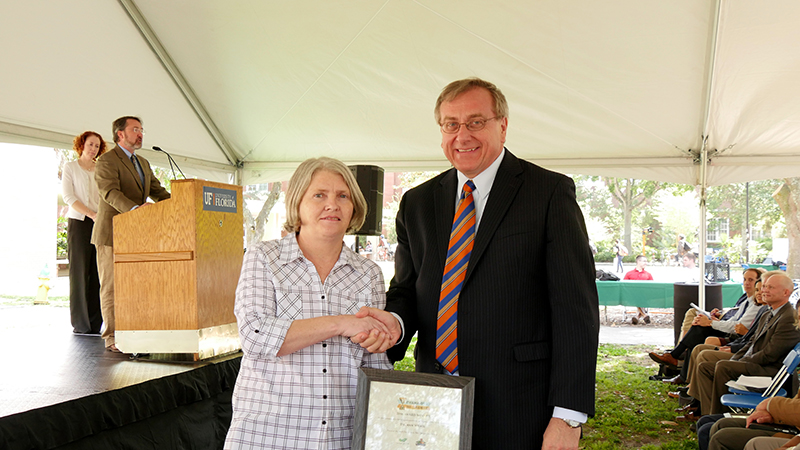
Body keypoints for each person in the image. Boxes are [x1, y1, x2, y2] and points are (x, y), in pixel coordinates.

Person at [353, 78, 599, 448]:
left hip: (519, 405)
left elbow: (575, 309)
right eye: (451, 124)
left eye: (475, 122)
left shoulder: (548, 193)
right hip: (434, 401)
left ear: (502, 125)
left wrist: (568, 416)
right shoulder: (417, 203)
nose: (462, 135)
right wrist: (396, 323)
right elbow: (408, 289)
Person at [224, 157, 392, 450]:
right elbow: (255, 337)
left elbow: (374, 364)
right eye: (319, 195)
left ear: (354, 208)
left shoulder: (369, 274)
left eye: (343, 196)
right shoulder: (264, 257)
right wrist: (341, 323)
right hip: (268, 436)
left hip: (341, 437)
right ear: (297, 203)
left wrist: (412, 413)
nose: (333, 204)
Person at [91, 116, 170, 353]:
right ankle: (112, 336)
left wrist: (185, 203)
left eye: (142, 130)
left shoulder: (143, 163)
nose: (140, 134)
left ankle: (135, 331)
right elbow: (110, 192)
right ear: (120, 134)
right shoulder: (106, 160)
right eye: (135, 129)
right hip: (112, 233)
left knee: (137, 286)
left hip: (137, 235)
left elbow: (158, 191)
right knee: (112, 287)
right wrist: (135, 210)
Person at [689, 272, 800, 416]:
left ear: (786, 292)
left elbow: (770, 355)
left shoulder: (788, 318)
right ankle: (707, 414)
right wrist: (737, 359)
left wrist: (740, 362)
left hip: (770, 370)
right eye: (764, 286)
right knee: (705, 367)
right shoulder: (768, 313)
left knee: (724, 366)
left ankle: (719, 417)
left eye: (770, 287)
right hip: (757, 362)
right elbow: (751, 342)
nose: (764, 290)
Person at [62, 131, 107, 335]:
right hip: (79, 223)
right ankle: (81, 324)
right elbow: (68, 197)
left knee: (98, 272)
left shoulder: (100, 169)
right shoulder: (70, 167)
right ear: (81, 145)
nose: (93, 149)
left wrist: (100, 216)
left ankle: (95, 322)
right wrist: (90, 213)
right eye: (90, 144)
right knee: (80, 273)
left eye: (97, 146)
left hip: (99, 222)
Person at [624, 255, 653, 324]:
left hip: (644, 296)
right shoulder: (629, 274)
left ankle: (637, 317)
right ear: (638, 261)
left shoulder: (648, 275)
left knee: (640, 297)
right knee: (637, 297)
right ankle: (644, 315)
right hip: (632, 296)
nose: (646, 263)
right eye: (644, 261)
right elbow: (624, 286)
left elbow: (652, 286)